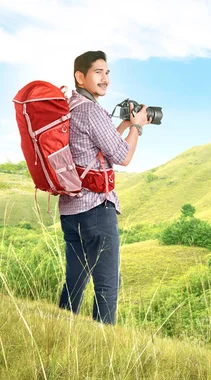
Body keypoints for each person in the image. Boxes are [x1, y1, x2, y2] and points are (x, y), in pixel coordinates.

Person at [58, 50, 150, 325]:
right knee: (107, 285)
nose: (105, 78)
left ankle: (60, 330)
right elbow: (122, 156)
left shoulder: (71, 106)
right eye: (98, 72)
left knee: (74, 281)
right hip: (97, 208)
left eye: (107, 72)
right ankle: (103, 350)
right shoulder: (91, 110)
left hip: (71, 209)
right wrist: (137, 127)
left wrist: (122, 124)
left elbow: (97, 149)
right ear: (80, 77)